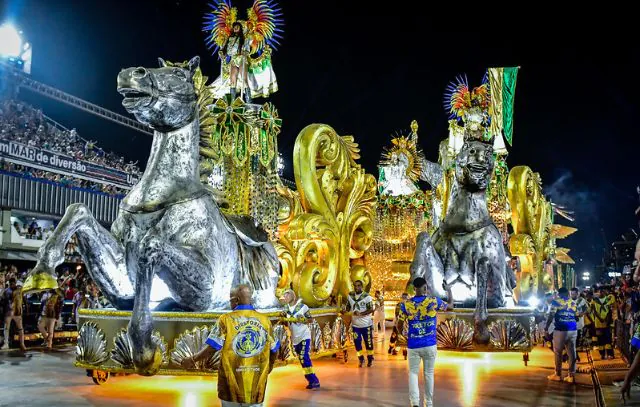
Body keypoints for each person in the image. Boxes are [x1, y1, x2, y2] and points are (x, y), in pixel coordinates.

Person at [186, 284, 279, 407]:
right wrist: (270, 366)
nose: (230, 303)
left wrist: (193, 359)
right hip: (256, 384)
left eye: (230, 300)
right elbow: (275, 349)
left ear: (236, 300)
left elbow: (212, 347)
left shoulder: (225, 319)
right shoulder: (265, 321)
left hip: (231, 385)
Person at [397, 278, 453, 407]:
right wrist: (449, 290)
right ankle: (428, 403)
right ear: (425, 288)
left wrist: (403, 334)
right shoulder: (433, 302)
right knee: (429, 374)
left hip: (413, 344)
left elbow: (399, 324)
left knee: (413, 373)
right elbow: (450, 306)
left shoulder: (406, 304)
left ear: (414, 289)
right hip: (429, 344)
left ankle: (415, 403)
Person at [278, 289, 320, 389]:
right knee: (302, 359)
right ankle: (311, 380)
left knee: (303, 356)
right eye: (285, 295)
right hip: (295, 338)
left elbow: (310, 319)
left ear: (293, 296)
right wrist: (282, 319)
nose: (286, 297)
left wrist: (303, 319)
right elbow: (286, 324)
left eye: (287, 295)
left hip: (304, 335)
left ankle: (314, 381)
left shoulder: (303, 307)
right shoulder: (285, 309)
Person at [546, 287, 580, 383]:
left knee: (558, 352)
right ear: (567, 293)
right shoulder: (573, 302)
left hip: (561, 330)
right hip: (573, 330)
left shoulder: (555, 302)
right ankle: (571, 376)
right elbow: (577, 316)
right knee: (572, 353)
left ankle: (557, 374)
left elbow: (551, 315)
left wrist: (546, 327)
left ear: (559, 294)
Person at [346, 280, 375, 368]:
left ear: (362, 287)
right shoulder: (350, 296)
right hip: (355, 326)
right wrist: (344, 310)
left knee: (368, 343)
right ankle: (361, 359)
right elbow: (348, 307)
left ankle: (370, 358)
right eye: (355, 286)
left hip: (366, 325)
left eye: (358, 286)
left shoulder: (367, 297)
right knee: (357, 343)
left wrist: (361, 314)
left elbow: (371, 309)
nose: (356, 287)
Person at [219, 22, 251, 101]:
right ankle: (232, 102)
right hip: (233, 60)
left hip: (241, 59)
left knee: (244, 80)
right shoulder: (229, 38)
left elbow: (247, 50)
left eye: (237, 26)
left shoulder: (244, 39)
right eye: (234, 27)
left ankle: (248, 100)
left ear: (240, 28)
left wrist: (245, 52)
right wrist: (222, 53)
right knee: (232, 81)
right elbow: (225, 51)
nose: (236, 28)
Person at [1, 278, 27, 351]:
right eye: (11, 283)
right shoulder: (6, 291)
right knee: (6, 328)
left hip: (17, 312)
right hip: (8, 312)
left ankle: (22, 343)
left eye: (14, 283)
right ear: (9, 283)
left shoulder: (19, 290)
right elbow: (2, 301)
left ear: (15, 283)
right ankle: (6, 344)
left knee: (20, 328)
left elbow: (24, 299)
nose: (13, 284)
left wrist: (25, 308)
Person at [591, 287, 615, 359]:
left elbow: (610, 310)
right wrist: (599, 318)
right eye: (599, 292)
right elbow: (594, 310)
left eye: (602, 291)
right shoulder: (594, 300)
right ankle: (602, 354)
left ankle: (610, 354)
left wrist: (606, 319)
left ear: (605, 292)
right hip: (598, 323)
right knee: (600, 339)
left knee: (608, 338)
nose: (600, 293)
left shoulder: (608, 299)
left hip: (607, 323)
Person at [571, 287, 588, 363]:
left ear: (577, 294)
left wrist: (581, 314)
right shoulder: (568, 301)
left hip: (579, 325)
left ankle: (575, 357)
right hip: (570, 325)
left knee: (577, 342)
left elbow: (586, 310)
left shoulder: (582, 301)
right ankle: (574, 357)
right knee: (571, 342)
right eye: (571, 294)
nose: (572, 295)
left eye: (574, 294)